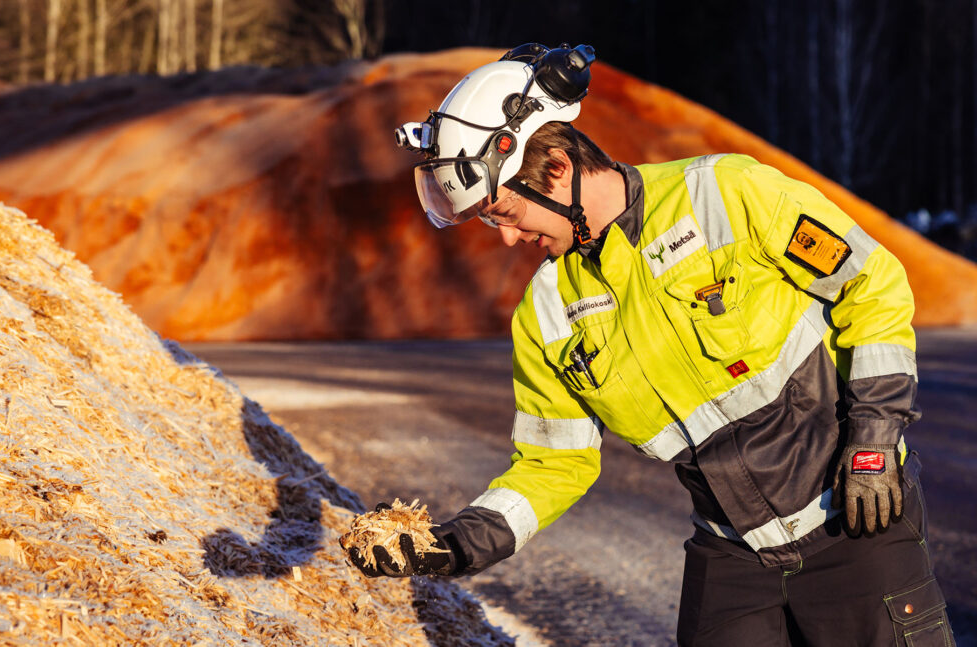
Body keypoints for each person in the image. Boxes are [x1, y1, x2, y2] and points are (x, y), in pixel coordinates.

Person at [349, 43, 956, 646]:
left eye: (505, 212)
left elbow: (870, 285)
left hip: (856, 521)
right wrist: (453, 545)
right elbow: (553, 463)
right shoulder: (547, 311)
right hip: (732, 558)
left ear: (558, 166)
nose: (506, 239)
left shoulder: (726, 194)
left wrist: (875, 440)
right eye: (489, 221)